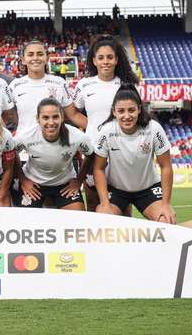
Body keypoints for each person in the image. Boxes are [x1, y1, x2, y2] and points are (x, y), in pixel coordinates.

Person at [72, 36, 139, 209]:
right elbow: (71, 112)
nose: (105, 62)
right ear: (94, 60)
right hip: (93, 152)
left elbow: (135, 116)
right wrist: (93, 126)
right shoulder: (84, 85)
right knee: (93, 201)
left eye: (110, 57)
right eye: (101, 58)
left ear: (116, 59)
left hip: (121, 151)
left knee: (123, 203)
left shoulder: (126, 85)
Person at [92, 85, 176, 223]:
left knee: (166, 220)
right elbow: (98, 168)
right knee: (103, 219)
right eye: (121, 111)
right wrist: (105, 203)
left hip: (148, 189)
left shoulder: (153, 128)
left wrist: (166, 204)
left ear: (139, 109)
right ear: (114, 112)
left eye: (131, 110)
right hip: (117, 190)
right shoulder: (107, 131)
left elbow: (166, 166)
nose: (127, 116)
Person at [14, 98, 94, 210]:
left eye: (55, 117)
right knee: (24, 222)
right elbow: (11, 154)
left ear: (62, 117)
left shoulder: (78, 137)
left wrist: (78, 181)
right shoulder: (26, 136)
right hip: (34, 184)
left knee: (78, 218)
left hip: (65, 184)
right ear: (38, 119)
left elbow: (90, 155)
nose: (51, 122)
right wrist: (23, 179)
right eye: (45, 118)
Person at [9, 40, 86, 136]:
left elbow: (73, 115)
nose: (35, 58)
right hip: (24, 146)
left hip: (54, 144)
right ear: (23, 60)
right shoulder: (15, 85)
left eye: (40, 54)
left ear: (46, 58)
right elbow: (10, 115)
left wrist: (97, 130)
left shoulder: (59, 83)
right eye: (30, 54)